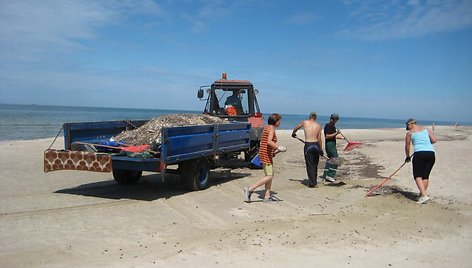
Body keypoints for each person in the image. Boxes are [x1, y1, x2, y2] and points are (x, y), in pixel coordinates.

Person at [244, 113, 286, 203]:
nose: (280, 122)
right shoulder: (271, 129)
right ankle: (250, 189)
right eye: (279, 121)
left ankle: (267, 197)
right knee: (269, 176)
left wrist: (277, 151)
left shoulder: (267, 128)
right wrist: (278, 147)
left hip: (264, 154)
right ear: (276, 121)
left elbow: (263, 144)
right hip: (265, 156)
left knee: (269, 175)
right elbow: (269, 142)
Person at [404, 118, 437, 204]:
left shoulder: (409, 133)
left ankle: (424, 196)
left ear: (410, 124)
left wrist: (407, 156)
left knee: (417, 175)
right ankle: (422, 196)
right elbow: (434, 140)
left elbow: (407, 146)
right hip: (431, 154)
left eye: (408, 126)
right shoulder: (425, 129)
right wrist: (425, 143)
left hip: (419, 154)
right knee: (425, 176)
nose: (408, 129)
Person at [291, 112, 323, 188]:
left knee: (310, 164)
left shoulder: (305, 122)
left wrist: (293, 133)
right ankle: (314, 181)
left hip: (308, 144)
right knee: (315, 164)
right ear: (315, 118)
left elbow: (296, 128)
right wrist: (321, 149)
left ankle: (312, 183)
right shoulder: (318, 126)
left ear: (310, 117)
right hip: (316, 145)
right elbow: (319, 139)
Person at [319, 113, 342, 182]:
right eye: (336, 120)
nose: (336, 121)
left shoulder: (332, 126)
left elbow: (332, 136)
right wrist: (337, 133)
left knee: (330, 160)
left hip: (332, 144)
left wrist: (340, 137)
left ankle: (325, 175)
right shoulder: (328, 126)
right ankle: (330, 175)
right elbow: (327, 136)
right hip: (329, 145)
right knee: (335, 159)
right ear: (333, 119)